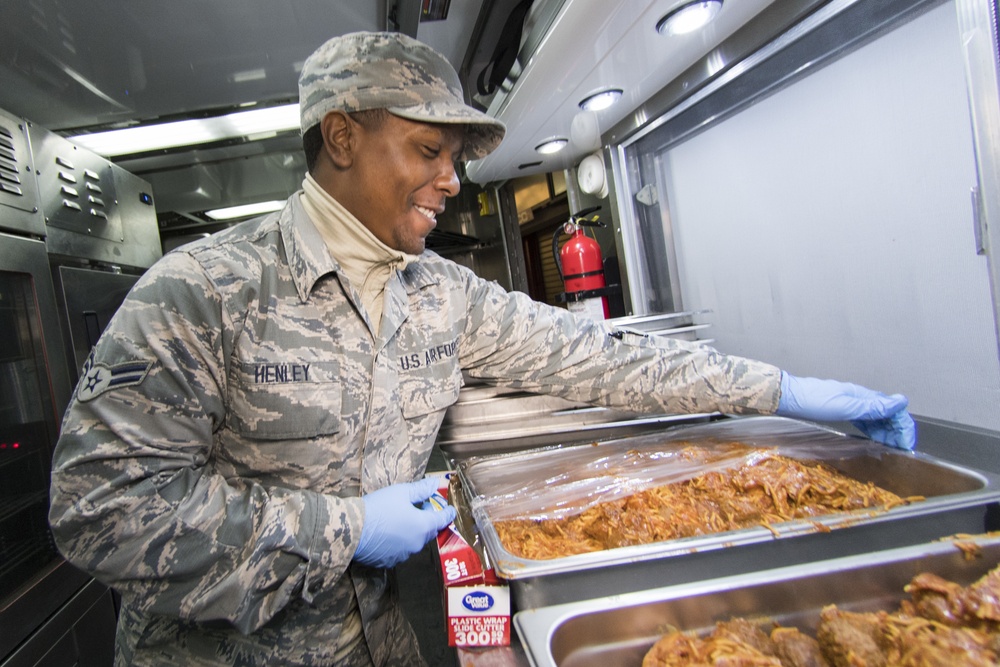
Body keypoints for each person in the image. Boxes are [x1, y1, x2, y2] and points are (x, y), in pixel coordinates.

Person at [48, 31, 916, 667]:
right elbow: (100, 509)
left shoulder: (443, 294)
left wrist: (784, 390)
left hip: (382, 647)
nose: (451, 179)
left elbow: (602, 358)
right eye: (429, 149)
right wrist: (345, 529)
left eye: (455, 157)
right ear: (342, 137)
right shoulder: (199, 291)